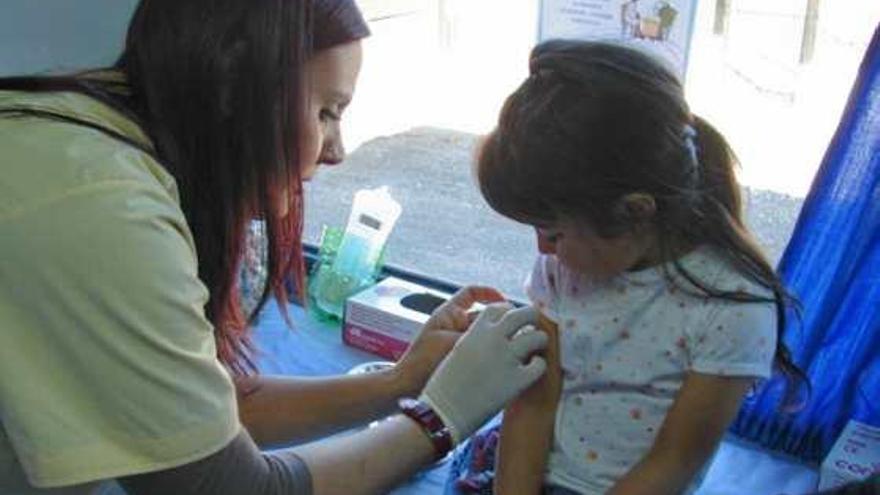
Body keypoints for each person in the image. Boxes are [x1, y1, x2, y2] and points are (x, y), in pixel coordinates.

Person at [0, 1, 549, 494]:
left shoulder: (90, 134)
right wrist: (442, 415)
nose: (336, 151)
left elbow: (200, 416)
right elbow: (229, 486)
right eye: (326, 112)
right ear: (231, 88)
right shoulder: (103, 209)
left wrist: (399, 383)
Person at [474, 40, 808, 494]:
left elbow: (673, 464)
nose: (542, 249)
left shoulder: (734, 308)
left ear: (634, 211)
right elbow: (533, 405)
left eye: (554, 233)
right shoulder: (563, 269)